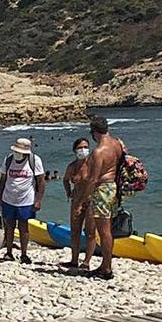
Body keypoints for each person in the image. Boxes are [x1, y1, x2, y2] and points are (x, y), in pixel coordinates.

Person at [70, 116, 123, 280]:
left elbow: (93, 179)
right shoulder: (117, 144)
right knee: (107, 229)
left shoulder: (99, 151)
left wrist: (81, 201)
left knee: (104, 230)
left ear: (93, 133)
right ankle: (105, 264)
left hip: (102, 189)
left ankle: (106, 268)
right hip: (114, 188)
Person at [0, 138, 45, 264]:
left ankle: (24, 254)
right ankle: (8, 252)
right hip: (8, 199)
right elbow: (2, 179)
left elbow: (41, 181)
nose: (17, 154)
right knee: (9, 226)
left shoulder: (35, 161)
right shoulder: (8, 159)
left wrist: (38, 200)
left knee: (24, 227)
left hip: (26, 200)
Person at [60, 138, 95, 270]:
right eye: (80, 147)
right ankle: (74, 260)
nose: (83, 150)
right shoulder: (72, 166)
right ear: (75, 150)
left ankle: (86, 262)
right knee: (75, 232)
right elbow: (65, 180)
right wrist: (68, 192)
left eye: (86, 147)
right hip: (77, 201)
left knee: (91, 232)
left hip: (91, 201)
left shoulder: (93, 164)